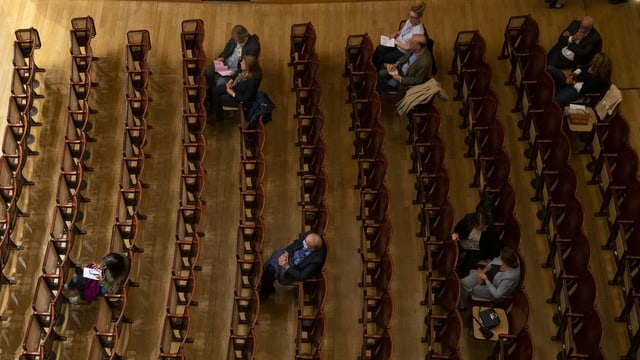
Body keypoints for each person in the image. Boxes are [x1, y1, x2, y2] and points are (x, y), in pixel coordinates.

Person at [259, 232, 326, 301]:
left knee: (271, 270)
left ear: (311, 249)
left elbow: (301, 276)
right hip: (289, 256)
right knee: (272, 265)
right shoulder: (309, 237)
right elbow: (296, 244)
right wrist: (286, 253)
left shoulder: (316, 261)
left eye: (306, 243)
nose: (303, 243)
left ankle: (263, 292)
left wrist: (286, 266)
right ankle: (266, 289)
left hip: (292, 268)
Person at [372, 1, 427, 71]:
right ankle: (373, 67)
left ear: (419, 18)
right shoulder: (410, 21)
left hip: (402, 51)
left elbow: (408, 48)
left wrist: (396, 42)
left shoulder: (418, 33)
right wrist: (395, 34)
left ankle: (374, 70)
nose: (410, 19)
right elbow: (403, 30)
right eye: (409, 16)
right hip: (396, 41)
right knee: (379, 48)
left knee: (383, 57)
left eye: (413, 18)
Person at [205, 25, 261, 90]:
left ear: (242, 39)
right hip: (227, 60)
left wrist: (236, 72)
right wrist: (222, 57)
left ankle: (215, 91)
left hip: (237, 67)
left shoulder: (253, 47)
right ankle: (211, 88)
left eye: (237, 40)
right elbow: (227, 47)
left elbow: (248, 65)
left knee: (219, 83)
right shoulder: (236, 36)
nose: (235, 42)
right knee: (208, 72)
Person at [208, 55, 262, 122]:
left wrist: (232, 93)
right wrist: (231, 81)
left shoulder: (252, 81)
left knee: (219, 97)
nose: (241, 63)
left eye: (243, 62)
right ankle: (216, 115)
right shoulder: (244, 71)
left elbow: (245, 99)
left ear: (249, 66)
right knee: (214, 90)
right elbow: (236, 74)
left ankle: (215, 116)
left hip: (237, 98)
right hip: (234, 87)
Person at [64, 252, 131, 304]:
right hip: (103, 274)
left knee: (84, 285)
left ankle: (82, 298)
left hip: (106, 285)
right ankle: (72, 286)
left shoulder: (118, 279)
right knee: (77, 280)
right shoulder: (119, 258)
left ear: (112, 269)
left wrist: (102, 279)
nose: (105, 265)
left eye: (107, 266)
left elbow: (113, 291)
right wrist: (101, 266)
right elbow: (107, 262)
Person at [547, 52, 612, 105]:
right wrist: (573, 75)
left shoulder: (598, 79)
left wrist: (571, 82)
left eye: (595, 62)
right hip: (572, 79)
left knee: (555, 100)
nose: (592, 62)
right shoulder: (591, 66)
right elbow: (580, 68)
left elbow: (582, 88)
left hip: (576, 90)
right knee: (550, 68)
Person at [451, 210, 503, 276]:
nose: (485, 230)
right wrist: (456, 234)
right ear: (474, 224)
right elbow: (457, 228)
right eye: (482, 228)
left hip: (478, 248)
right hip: (464, 241)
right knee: (452, 254)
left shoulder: (491, 229)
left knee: (468, 265)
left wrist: (490, 258)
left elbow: (495, 244)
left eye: (485, 227)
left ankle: (458, 275)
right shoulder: (468, 219)